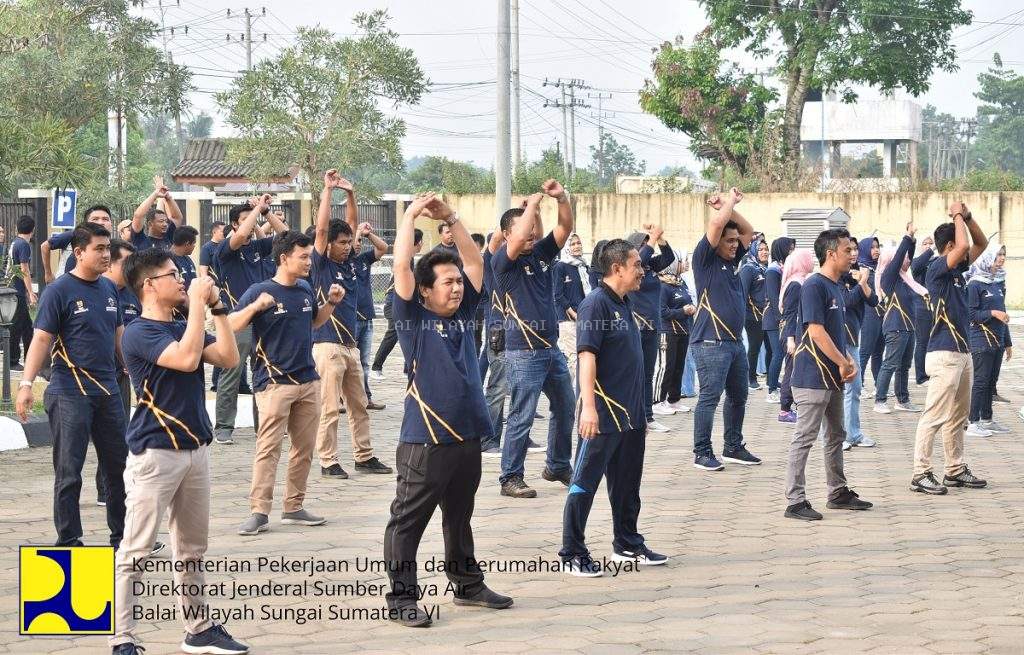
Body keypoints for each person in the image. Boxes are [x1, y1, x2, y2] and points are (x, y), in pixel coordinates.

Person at [383, 192, 512, 627]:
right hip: (425, 440)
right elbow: (401, 266)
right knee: (408, 522)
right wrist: (410, 217)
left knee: (460, 517)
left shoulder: (463, 316)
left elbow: (477, 265)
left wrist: (452, 219)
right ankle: (402, 600)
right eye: (446, 282)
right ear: (424, 292)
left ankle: (467, 584)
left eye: (457, 282)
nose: (456, 287)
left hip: (467, 435)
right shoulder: (412, 319)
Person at [109, 250, 247, 655]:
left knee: (191, 549)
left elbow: (228, 357)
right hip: (155, 453)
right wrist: (201, 306)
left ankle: (198, 628)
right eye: (173, 274)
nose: (183, 280)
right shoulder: (140, 332)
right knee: (135, 550)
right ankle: (122, 638)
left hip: (194, 450)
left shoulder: (180, 326)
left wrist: (218, 308)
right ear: (149, 285)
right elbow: (187, 361)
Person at [15, 223, 127, 549]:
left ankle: (122, 538)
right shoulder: (59, 291)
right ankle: (69, 540)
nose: (107, 254)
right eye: (99, 249)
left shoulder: (109, 290)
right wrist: (25, 385)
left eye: (108, 249)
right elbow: (41, 338)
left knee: (118, 469)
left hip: (108, 391)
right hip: (69, 392)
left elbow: (119, 336)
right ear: (79, 253)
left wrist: (136, 372)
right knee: (69, 472)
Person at [560, 238, 667, 576]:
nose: (642, 271)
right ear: (617, 268)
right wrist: (588, 408)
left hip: (631, 417)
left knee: (627, 486)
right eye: (637, 265)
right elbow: (586, 358)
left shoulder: (623, 303)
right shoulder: (596, 304)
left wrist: (641, 414)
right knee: (584, 483)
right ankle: (572, 551)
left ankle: (627, 543)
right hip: (603, 416)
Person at [232, 230, 342, 535]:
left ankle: (294, 506)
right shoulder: (259, 291)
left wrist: (330, 304)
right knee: (268, 449)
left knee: (304, 449)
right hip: (273, 384)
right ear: (284, 258)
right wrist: (255, 308)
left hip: (309, 381)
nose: (309, 262)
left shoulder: (306, 289)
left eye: (309, 256)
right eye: (303, 256)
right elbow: (230, 324)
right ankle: (259, 511)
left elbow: (315, 321)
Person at [783, 228, 873, 521]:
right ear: (831, 253)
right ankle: (795, 501)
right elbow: (816, 331)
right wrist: (844, 362)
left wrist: (845, 361)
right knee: (805, 437)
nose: (852, 255)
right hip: (812, 377)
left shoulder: (836, 286)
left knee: (836, 434)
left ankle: (838, 491)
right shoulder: (814, 286)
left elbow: (836, 333)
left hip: (833, 375)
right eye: (847, 250)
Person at [494, 180, 576, 497]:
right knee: (522, 415)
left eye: (531, 229)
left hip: (549, 349)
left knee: (566, 406)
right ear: (506, 235)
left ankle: (557, 465)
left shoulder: (540, 254)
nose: (530, 233)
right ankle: (510, 477)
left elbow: (565, 226)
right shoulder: (504, 261)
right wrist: (531, 206)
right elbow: (516, 239)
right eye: (523, 229)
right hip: (523, 351)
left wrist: (560, 199)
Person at [311, 170, 392, 479]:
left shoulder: (355, 263)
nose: (347, 246)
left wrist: (351, 194)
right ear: (328, 245)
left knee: (359, 406)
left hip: (350, 347)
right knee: (330, 408)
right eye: (342, 242)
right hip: (327, 345)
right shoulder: (321, 265)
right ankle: (328, 460)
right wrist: (328, 190)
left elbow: (355, 226)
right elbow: (320, 230)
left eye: (349, 242)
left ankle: (364, 455)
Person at [911, 202, 989, 495]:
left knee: (958, 417)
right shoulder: (936, 269)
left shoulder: (957, 271)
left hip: (961, 352)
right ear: (949, 246)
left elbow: (980, 242)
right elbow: (965, 244)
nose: (965, 251)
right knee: (934, 416)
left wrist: (967, 217)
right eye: (958, 247)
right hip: (943, 353)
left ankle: (954, 470)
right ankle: (921, 473)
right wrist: (956, 214)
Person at [690, 188, 761, 471]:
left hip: (733, 343)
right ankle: (702, 452)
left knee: (738, 396)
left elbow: (748, 230)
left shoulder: (732, 262)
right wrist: (728, 202)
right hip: (710, 343)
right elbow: (716, 225)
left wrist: (728, 208)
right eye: (729, 241)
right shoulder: (704, 261)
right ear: (716, 242)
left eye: (735, 242)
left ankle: (733, 446)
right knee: (710, 397)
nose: (735, 245)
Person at [213, 195, 287, 445]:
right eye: (244, 219)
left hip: (264, 321)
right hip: (237, 320)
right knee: (231, 373)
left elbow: (287, 237)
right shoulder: (224, 250)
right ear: (234, 224)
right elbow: (241, 234)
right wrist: (256, 209)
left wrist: (266, 212)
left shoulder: (258, 248)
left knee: (265, 374)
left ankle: (263, 425)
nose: (250, 222)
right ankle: (224, 426)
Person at [625, 225, 676, 431]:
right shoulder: (632, 268)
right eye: (644, 244)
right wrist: (652, 238)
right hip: (636, 326)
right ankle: (631, 414)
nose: (649, 247)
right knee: (633, 373)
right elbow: (642, 257)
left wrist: (660, 238)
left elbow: (669, 258)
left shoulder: (649, 267)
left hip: (653, 326)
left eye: (648, 243)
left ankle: (647, 416)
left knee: (647, 373)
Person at [873, 224, 925, 415]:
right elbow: (898, 259)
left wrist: (912, 240)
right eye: (903, 258)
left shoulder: (905, 279)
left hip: (909, 327)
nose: (907, 260)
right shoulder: (889, 277)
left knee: (904, 365)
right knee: (890, 363)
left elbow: (908, 256)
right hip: (895, 326)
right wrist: (906, 237)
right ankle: (880, 400)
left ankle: (902, 399)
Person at [967, 243, 1012, 436]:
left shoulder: (998, 282)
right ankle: (973, 422)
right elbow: (971, 314)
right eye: (997, 255)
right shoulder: (975, 284)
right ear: (988, 259)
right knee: (981, 381)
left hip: (998, 340)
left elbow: (1004, 314)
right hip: (981, 340)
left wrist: (1008, 342)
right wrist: (993, 313)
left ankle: (987, 418)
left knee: (991, 382)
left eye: (1003, 254)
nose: (1001, 258)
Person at [840, 237, 878, 451]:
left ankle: (852, 433)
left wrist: (862, 281)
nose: (853, 253)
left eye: (855, 249)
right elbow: (846, 301)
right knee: (842, 389)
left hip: (853, 338)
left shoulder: (858, 273)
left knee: (853, 388)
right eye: (849, 250)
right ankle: (843, 435)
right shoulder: (837, 275)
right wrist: (861, 282)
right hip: (837, 339)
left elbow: (873, 301)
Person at [371, 229, 423, 379]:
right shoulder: (405, 258)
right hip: (393, 300)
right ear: (419, 243)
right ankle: (376, 367)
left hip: (403, 301)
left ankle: (409, 368)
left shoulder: (409, 258)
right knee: (394, 332)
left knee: (411, 331)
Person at [353, 221, 389, 411]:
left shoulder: (364, 259)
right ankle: (344, 398)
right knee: (349, 363)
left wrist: (367, 235)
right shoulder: (340, 264)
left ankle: (365, 398)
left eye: (360, 241)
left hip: (366, 319)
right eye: (355, 240)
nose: (358, 244)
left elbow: (383, 247)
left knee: (364, 362)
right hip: (349, 321)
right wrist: (356, 231)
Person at [777, 248, 815, 424]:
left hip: (796, 334)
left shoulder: (799, 281)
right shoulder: (795, 285)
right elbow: (790, 314)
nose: (812, 262)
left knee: (797, 369)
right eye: (809, 259)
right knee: (791, 370)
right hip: (792, 335)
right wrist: (791, 339)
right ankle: (784, 410)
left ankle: (797, 405)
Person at [654, 256, 695, 414]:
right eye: (681, 261)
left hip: (683, 330)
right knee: (666, 367)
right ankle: (658, 401)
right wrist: (682, 311)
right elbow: (662, 311)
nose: (685, 264)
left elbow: (688, 300)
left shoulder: (680, 282)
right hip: (668, 331)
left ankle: (674, 400)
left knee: (679, 366)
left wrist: (691, 307)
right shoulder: (663, 285)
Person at [40, 205, 114, 282]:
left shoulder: (115, 245)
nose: (101, 223)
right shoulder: (74, 234)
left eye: (105, 219)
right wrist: (48, 273)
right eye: (95, 219)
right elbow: (45, 246)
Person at [552, 233, 590, 382]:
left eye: (578, 243)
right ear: (567, 247)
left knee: (582, 357)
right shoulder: (561, 266)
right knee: (574, 358)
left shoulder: (584, 267)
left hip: (585, 318)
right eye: (573, 244)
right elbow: (558, 295)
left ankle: (565, 396)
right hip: (568, 319)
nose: (576, 246)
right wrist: (573, 314)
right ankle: (578, 397)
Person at [763, 237, 794, 403]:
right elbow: (774, 298)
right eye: (790, 249)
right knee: (778, 353)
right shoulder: (772, 270)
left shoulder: (783, 268)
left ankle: (773, 383)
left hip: (779, 318)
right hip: (773, 319)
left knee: (777, 353)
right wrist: (780, 319)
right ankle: (772, 390)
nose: (792, 252)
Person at [740, 237, 770, 391]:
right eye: (761, 249)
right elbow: (743, 294)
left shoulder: (765, 268)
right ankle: (749, 378)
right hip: (753, 315)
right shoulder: (748, 269)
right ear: (753, 251)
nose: (764, 252)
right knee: (754, 347)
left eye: (766, 249)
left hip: (767, 315)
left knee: (771, 348)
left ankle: (771, 379)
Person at [7, 215, 36, 370]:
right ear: (33, 229)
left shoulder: (14, 243)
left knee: (27, 327)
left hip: (15, 290)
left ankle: (31, 359)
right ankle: (12, 361)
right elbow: (24, 269)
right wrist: (30, 292)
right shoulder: (24, 245)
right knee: (18, 326)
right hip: (16, 291)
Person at [857, 236, 884, 395]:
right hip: (869, 313)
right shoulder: (861, 268)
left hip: (882, 312)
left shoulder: (878, 268)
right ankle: (858, 384)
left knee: (879, 351)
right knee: (866, 350)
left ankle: (879, 384)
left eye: (878, 246)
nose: (876, 250)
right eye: (872, 247)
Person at [130, 177, 184, 251]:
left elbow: (177, 218)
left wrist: (168, 197)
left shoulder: (168, 237)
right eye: (161, 221)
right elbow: (138, 216)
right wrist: (155, 194)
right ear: (150, 224)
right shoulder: (141, 240)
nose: (165, 224)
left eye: (166, 221)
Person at [910, 235, 935, 385]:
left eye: (930, 243)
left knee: (933, 342)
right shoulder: (917, 262)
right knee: (922, 341)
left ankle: (931, 371)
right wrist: (930, 251)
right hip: (921, 307)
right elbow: (915, 268)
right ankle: (921, 376)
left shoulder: (936, 262)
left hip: (935, 306)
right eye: (925, 244)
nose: (928, 246)